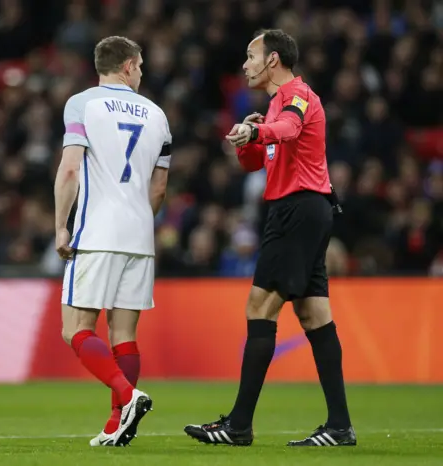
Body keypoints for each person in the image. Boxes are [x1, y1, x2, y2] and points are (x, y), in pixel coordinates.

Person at [184, 29, 356, 447]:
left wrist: (260, 133)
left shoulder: (297, 96)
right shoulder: (274, 109)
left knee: (260, 306)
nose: (245, 64)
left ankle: (238, 425)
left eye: (250, 55)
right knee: (315, 315)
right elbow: (256, 161)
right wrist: (248, 137)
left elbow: (291, 129)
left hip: (297, 210)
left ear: (273, 60)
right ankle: (339, 426)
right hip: (304, 210)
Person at [54, 35, 171, 447]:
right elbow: (159, 188)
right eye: (139, 66)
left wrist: (60, 226)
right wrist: (138, 221)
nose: (141, 72)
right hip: (140, 234)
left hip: (98, 231)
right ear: (127, 65)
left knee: (75, 330)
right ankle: (115, 425)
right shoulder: (158, 115)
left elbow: (70, 169)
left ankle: (127, 395)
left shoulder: (82, 104)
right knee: (124, 335)